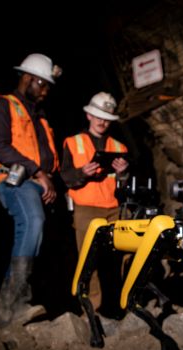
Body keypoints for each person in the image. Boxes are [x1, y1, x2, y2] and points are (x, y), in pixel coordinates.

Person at [0, 53, 62, 328]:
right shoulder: (4, 105)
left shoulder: (40, 118)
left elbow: (48, 158)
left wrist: (49, 178)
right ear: (28, 78)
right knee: (32, 223)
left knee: (36, 238)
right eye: (43, 84)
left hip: (39, 184)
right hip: (15, 180)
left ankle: (12, 310)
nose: (45, 91)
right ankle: (14, 304)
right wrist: (39, 172)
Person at [61, 92, 129, 315]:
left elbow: (124, 186)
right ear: (89, 115)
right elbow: (66, 177)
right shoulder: (72, 143)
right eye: (98, 116)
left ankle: (118, 306)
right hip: (86, 208)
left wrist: (123, 174)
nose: (102, 122)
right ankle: (93, 310)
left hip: (113, 209)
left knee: (115, 258)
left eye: (106, 117)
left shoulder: (119, 147)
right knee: (88, 258)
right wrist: (82, 173)